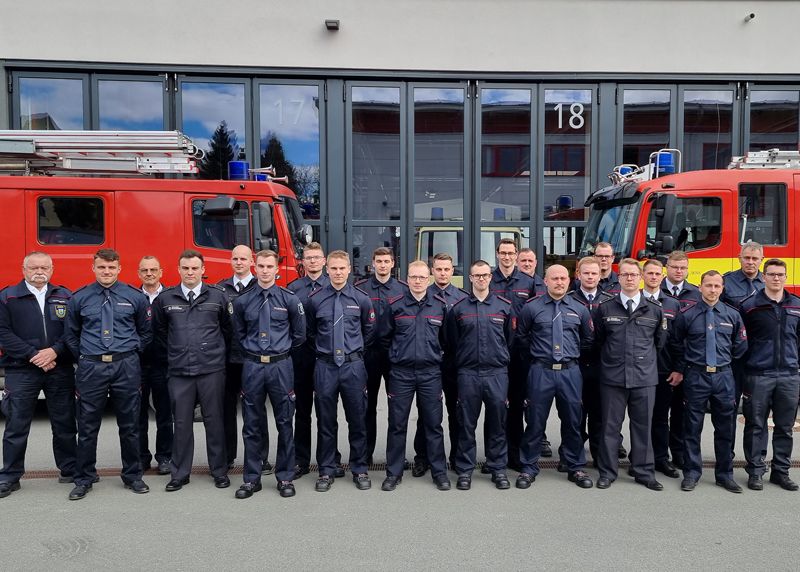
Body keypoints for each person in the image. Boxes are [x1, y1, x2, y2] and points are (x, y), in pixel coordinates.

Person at [64, 248, 152, 500]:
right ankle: (84, 478)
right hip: (92, 367)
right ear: (93, 268)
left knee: (130, 425)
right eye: (102, 267)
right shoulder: (79, 298)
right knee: (88, 426)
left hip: (125, 366)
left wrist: (132, 351)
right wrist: (84, 355)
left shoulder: (134, 297)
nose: (106, 272)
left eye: (111, 268)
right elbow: (70, 334)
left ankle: (133, 476)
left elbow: (146, 333)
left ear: (119, 269)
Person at [151, 250, 232, 492]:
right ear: (178, 270)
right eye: (185, 268)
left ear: (202, 270)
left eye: (194, 268)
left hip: (211, 370)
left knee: (215, 422)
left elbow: (228, 331)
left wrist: (216, 356)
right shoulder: (165, 299)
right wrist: (176, 354)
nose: (190, 272)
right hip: (179, 372)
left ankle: (219, 471)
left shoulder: (218, 297)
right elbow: (159, 333)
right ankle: (179, 473)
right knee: (182, 423)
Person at [0, 252, 76, 498]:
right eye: (34, 267)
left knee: (64, 423)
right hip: (21, 369)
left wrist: (54, 351)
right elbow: (3, 333)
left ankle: (70, 470)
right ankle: (10, 476)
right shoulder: (7, 297)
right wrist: (34, 355)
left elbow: (73, 330)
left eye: (44, 267)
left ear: (52, 269)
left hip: (59, 368)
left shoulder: (65, 296)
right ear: (24, 269)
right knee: (16, 425)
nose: (39, 271)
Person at [232, 250, 306, 499]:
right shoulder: (243, 301)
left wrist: (278, 352)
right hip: (253, 366)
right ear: (254, 267)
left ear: (277, 269)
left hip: (280, 366)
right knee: (251, 425)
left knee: (285, 422)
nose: (264, 270)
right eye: (261, 266)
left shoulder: (290, 299)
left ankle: (285, 476)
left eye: (269, 266)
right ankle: (251, 479)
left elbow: (299, 335)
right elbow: (239, 334)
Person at [515, 264, 594, 490]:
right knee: (534, 422)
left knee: (573, 420)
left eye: (563, 278)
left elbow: (588, 340)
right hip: (541, 371)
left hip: (570, 372)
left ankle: (575, 466)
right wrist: (539, 358)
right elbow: (521, 338)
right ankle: (528, 467)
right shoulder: (532, 308)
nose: (559, 282)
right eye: (554, 278)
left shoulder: (580, 309)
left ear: (569, 281)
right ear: (546, 282)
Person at [669, 270, 747, 493]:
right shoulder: (687, 314)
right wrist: (684, 367)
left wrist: (725, 361)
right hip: (696, 376)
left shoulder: (732, 315)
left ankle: (725, 474)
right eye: (708, 285)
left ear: (722, 288)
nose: (713, 290)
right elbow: (677, 343)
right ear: (700, 287)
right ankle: (692, 473)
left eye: (717, 286)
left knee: (725, 427)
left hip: (723, 376)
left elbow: (740, 345)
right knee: (692, 427)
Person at [594, 258, 668, 491]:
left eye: (633, 275)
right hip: (613, 378)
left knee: (643, 426)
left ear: (641, 278)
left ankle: (644, 472)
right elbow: (598, 341)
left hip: (644, 378)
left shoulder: (655, 310)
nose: (629, 278)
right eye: (624, 275)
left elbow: (659, 343)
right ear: (618, 278)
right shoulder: (605, 308)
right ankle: (607, 472)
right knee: (609, 427)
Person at [378, 260, 451, 492]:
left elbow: (448, 340)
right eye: (413, 277)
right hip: (402, 374)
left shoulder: (440, 306)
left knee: (433, 424)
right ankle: (394, 473)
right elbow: (383, 337)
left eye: (422, 277)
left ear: (429, 279)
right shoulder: (395, 305)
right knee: (397, 425)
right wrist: (396, 356)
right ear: (406, 279)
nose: (417, 281)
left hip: (430, 373)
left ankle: (439, 472)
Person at [307, 251, 375, 492]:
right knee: (325, 420)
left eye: (341, 268)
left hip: (352, 366)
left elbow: (368, 331)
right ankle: (326, 469)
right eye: (333, 269)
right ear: (327, 270)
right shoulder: (315, 300)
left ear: (349, 269)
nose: (337, 273)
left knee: (357, 419)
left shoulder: (362, 299)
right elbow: (311, 331)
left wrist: (351, 353)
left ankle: (359, 467)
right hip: (325, 366)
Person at [447, 260, 513, 491]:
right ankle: (465, 470)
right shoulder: (458, 309)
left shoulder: (504, 306)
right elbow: (451, 342)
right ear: (471, 278)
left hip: (496, 373)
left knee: (497, 423)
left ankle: (498, 469)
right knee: (466, 424)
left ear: (491, 277)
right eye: (477, 275)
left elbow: (510, 340)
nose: (482, 279)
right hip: (468, 375)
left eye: (485, 275)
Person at [740, 258, 800, 491]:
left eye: (780, 274)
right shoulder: (749, 306)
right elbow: (741, 340)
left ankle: (780, 472)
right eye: (772, 274)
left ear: (786, 277)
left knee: (785, 427)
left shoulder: (796, 305)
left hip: (789, 375)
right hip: (759, 374)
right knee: (756, 425)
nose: (776, 278)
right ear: (763, 277)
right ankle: (755, 472)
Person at [287, 242, 345, 480]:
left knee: (327, 412)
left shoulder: (333, 286)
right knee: (301, 412)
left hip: (327, 359)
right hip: (301, 357)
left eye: (317, 257)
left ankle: (332, 458)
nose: (312, 261)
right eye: (308, 257)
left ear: (324, 262)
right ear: (303, 262)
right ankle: (300, 459)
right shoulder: (293, 288)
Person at [412, 252, 468, 475]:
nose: (443, 273)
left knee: (456, 413)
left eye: (447, 269)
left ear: (452, 271)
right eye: (438, 269)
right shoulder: (423, 294)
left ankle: (456, 456)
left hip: (454, 365)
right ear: (432, 271)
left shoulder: (463, 298)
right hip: (429, 365)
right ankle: (422, 457)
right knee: (426, 414)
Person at [217, 245, 271, 473]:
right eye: (235, 258)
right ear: (231, 261)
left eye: (243, 259)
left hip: (255, 359)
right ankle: (228, 457)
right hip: (229, 360)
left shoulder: (260, 287)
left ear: (252, 262)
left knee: (256, 410)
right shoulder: (220, 289)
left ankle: (261, 457)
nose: (239, 262)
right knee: (227, 411)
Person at [489, 238, 539, 468]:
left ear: (516, 255)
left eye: (511, 253)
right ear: (497, 254)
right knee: (495, 406)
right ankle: (493, 456)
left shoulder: (528, 282)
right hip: (495, 350)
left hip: (520, 352)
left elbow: (535, 316)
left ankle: (515, 454)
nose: (507, 257)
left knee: (517, 405)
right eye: (503, 253)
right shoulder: (488, 279)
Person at [355, 247, 407, 465]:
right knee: (367, 407)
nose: (383, 265)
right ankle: (365, 456)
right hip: (368, 356)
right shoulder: (360, 289)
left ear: (393, 264)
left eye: (387, 261)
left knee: (397, 409)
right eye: (379, 261)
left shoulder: (403, 289)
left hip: (394, 356)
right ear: (372, 264)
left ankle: (396, 458)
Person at [568, 256, 613, 467]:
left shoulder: (610, 300)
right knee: (574, 415)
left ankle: (598, 456)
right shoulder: (568, 299)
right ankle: (572, 456)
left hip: (601, 366)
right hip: (575, 365)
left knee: (599, 415)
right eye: (586, 273)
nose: (590, 277)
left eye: (594, 273)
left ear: (600, 275)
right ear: (578, 274)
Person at [641, 258, 684, 476]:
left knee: (659, 417)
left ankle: (660, 458)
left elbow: (677, 340)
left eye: (658, 274)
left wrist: (678, 368)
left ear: (663, 275)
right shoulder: (634, 300)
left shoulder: (672, 304)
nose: (654, 277)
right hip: (638, 371)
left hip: (663, 370)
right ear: (643, 275)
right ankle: (639, 458)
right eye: (650, 273)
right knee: (639, 418)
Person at [722, 242, 765, 457]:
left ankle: (754, 461)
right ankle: (726, 458)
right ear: (739, 258)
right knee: (728, 409)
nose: (750, 262)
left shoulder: (767, 283)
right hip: (733, 357)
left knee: (756, 411)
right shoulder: (726, 282)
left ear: (761, 261)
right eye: (746, 258)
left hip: (759, 357)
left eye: (754, 259)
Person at [136, 255, 172, 475]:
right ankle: (141, 458)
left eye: (153, 270)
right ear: (139, 273)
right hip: (137, 365)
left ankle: (165, 457)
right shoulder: (131, 297)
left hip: (164, 364)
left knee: (165, 414)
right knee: (137, 415)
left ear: (161, 272)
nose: (149, 274)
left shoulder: (170, 297)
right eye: (145, 270)